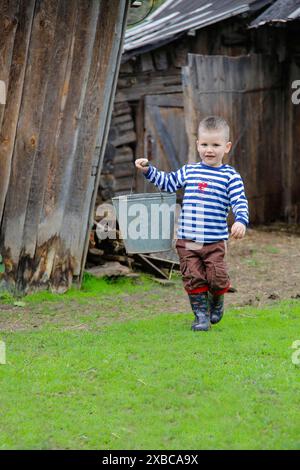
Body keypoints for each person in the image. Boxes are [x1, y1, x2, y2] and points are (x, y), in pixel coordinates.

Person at [135, 116, 249, 331]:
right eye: (204, 144)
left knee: (217, 277)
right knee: (193, 276)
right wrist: (149, 170)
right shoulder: (190, 171)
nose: (209, 150)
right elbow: (168, 183)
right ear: (197, 145)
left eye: (215, 145)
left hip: (214, 241)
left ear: (227, 147)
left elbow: (239, 201)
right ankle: (201, 317)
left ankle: (217, 300)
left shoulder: (230, 176)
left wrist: (241, 221)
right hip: (188, 240)